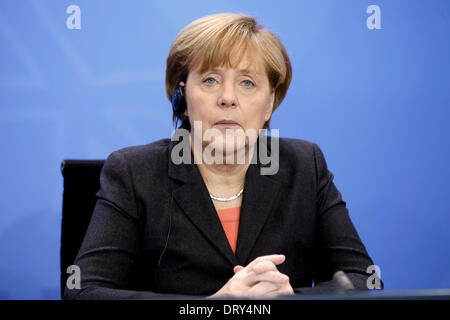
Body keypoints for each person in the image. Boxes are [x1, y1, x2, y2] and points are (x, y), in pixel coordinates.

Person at [64, 12, 380, 299]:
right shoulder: (134, 172)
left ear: (270, 104)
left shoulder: (304, 166)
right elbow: (84, 292)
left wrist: (291, 300)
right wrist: (215, 306)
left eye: (247, 83)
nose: (228, 98)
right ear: (182, 99)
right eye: (210, 80)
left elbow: (365, 280)